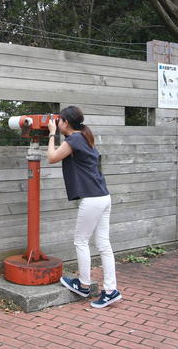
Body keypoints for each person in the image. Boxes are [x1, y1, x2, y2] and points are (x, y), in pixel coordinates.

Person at [47, 106, 121, 308]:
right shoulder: (84, 136)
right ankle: (110, 290)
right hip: (103, 196)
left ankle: (83, 285)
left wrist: (52, 134)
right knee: (104, 244)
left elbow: (52, 158)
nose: (57, 122)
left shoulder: (74, 139)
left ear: (65, 122)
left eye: (59, 120)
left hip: (92, 199)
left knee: (81, 241)